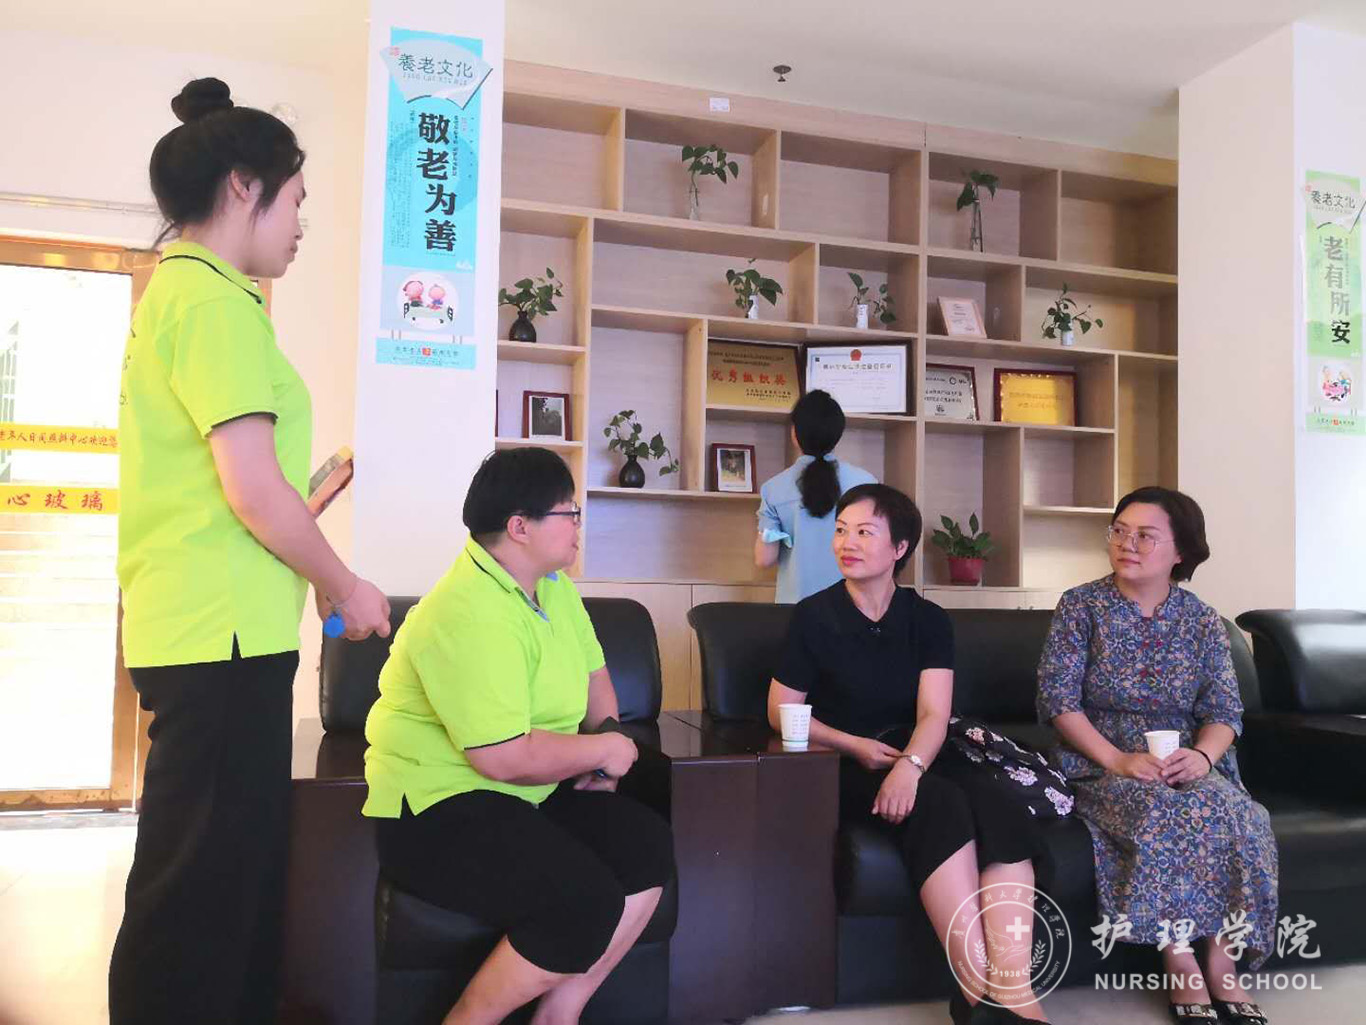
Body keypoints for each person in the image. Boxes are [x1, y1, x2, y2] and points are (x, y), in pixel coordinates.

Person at [111, 77, 391, 1025]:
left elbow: (239, 489)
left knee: (217, 879)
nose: (302, 223)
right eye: (298, 199)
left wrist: (303, 536)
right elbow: (251, 490)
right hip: (218, 639)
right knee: (199, 890)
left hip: (215, 627)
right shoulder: (213, 302)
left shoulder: (197, 295)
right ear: (244, 186)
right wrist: (345, 582)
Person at [363, 447, 675, 1025]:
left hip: (529, 792)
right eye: (569, 512)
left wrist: (603, 753)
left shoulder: (553, 587)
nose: (579, 524)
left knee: (645, 845)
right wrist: (605, 750)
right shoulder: (465, 610)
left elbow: (596, 681)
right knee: (581, 900)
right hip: (439, 808)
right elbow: (501, 757)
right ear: (519, 527)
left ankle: (560, 1014)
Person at [768, 483, 1050, 1024]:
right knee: (940, 805)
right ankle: (977, 995)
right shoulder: (814, 616)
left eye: (864, 532)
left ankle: (1017, 995)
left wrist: (911, 767)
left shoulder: (928, 620)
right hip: (843, 760)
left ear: (899, 548)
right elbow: (781, 711)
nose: (847, 543)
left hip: (919, 749)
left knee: (998, 806)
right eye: (841, 531)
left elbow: (933, 714)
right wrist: (855, 745)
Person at [1036, 486, 1278, 1025]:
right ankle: (1180, 959)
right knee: (1164, 809)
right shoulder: (1081, 606)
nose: (1128, 544)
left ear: (1181, 551)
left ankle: (1221, 960)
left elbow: (1225, 711)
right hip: (1100, 761)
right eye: (1120, 531)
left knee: (1242, 814)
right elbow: (1058, 703)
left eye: (1145, 536)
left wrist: (1204, 758)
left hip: (1186, 759)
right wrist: (1117, 760)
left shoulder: (1202, 620)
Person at [755, 389, 877, 603]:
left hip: (797, 608)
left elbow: (764, 558)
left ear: (795, 434)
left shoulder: (773, 489)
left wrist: (786, 536)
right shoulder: (867, 483)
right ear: (837, 434)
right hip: (855, 608)